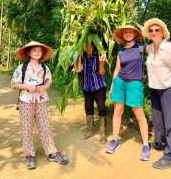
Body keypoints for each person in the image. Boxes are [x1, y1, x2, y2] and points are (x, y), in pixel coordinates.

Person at [11, 41, 69, 170]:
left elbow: (49, 81)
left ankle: (52, 152)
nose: (37, 53)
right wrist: (27, 86)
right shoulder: (22, 68)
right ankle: (29, 155)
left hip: (41, 100)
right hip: (25, 101)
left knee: (45, 126)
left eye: (39, 51)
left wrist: (44, 87)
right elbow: (14, 83)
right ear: (29, 53)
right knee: (26, 128)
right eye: (34, 50)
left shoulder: (44, 68)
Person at [142, 18, 171, 169]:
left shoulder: (168, 48)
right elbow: (137, 48)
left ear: (162, 33)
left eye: (157, 30)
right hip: (155, 89)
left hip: (169, 90)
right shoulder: (150, 48)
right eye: (151, 30)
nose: (154, 32)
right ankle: (160, 143)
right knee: (157, 120)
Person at [106, 25, 150, 161]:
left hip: (135, 83)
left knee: (139, 114)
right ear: (123, 36)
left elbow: (157, 51)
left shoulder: (142, 47)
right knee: (117, 111)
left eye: (130, 32)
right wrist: (113, 85)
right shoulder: (121, 52)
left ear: (135, 34)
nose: (128, 34)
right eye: (126, 33)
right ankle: (115, 140)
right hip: (120, 83)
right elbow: (116, 70)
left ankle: (146, 145)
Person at [74, 43, 107, 143]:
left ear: (94, 46)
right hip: (87, 87)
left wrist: (102, 63)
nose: (88, 48)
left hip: (99, 86)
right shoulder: (81, 56)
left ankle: (103, 132)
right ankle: (89, 131)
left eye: (90, 46)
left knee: (101, 107)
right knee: (88, 107)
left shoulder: (99, 55)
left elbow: (102, 73)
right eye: (85, 46)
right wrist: (78, 55)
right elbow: (78, 69)